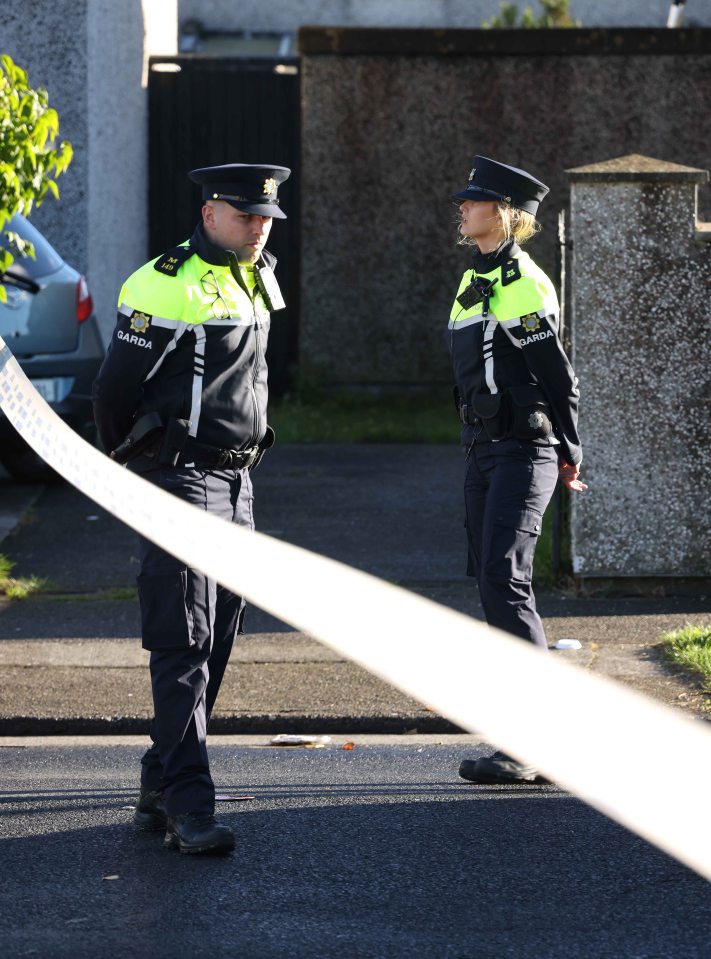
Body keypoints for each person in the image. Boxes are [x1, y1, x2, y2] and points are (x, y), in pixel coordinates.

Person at [92, 162, 290, 853]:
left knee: (222, 634)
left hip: (238, 484)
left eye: (266, 218)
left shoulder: (255, 272)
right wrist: (124, 474)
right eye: (246, 216)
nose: (259, 228)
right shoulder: (161, 282)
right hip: (176, 479)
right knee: (183, 642)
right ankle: (188, 805)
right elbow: (113, 391)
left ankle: (158, 778)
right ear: (209, 212)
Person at [448, 155, 586, 785]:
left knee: (505, 578)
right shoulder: (473, 278)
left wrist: (569, 446)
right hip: (484, 448)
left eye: (474, 202)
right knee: (491, 579)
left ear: (505, 213)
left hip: (524, 447)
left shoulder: (519, 280)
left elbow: (557, 375)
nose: (463, 208)